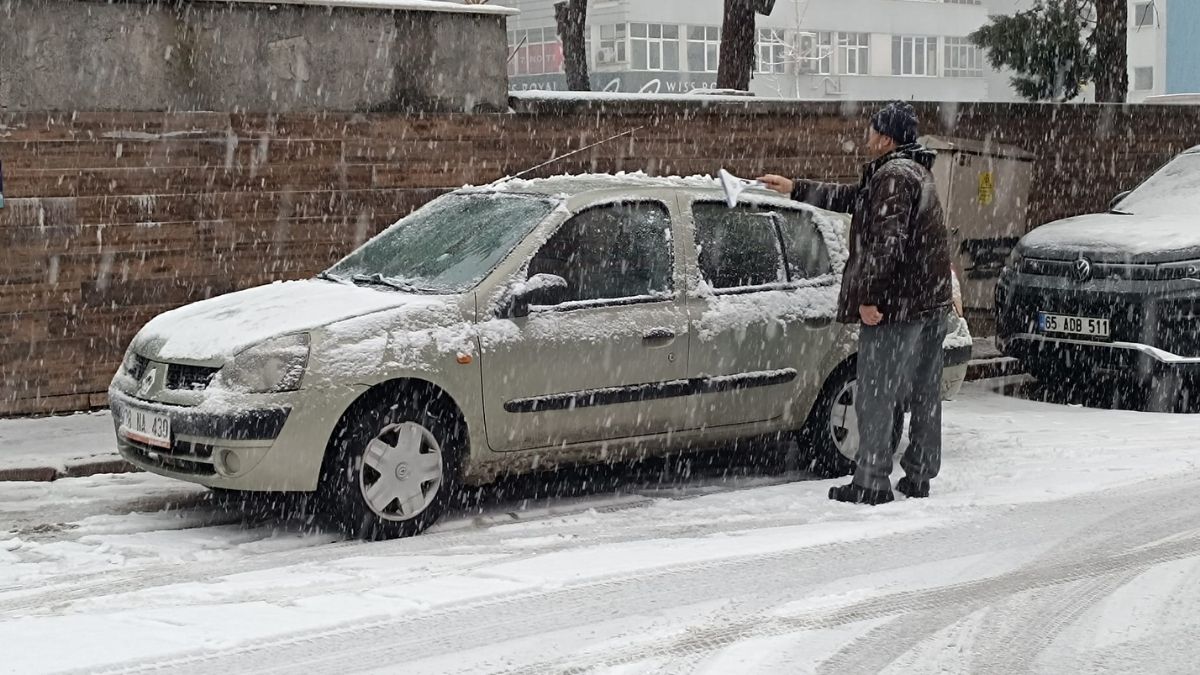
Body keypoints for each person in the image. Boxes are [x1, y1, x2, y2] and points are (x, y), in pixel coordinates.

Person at [758, 101, 953, 505]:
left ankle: (871, 481)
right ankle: (919, 474)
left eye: (871, 129)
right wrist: (795, 188)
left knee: (876, 394)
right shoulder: (914, 171)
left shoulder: (894, 177)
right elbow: (856, 198)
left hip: (898, 306)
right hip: (930, 301)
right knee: (923, 392)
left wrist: (869, 298)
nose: (866, 135)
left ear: (885, 137)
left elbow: (886, 245)